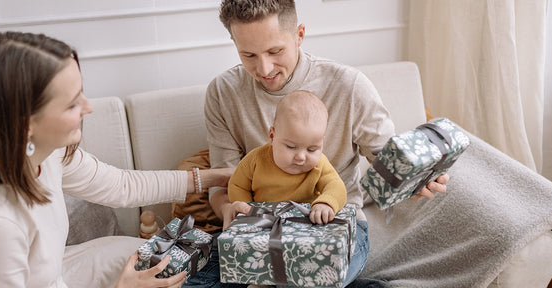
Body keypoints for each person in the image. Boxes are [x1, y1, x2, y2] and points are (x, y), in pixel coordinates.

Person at [184, 1, 449, 288]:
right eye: (248, 54)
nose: (264, 68)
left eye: (275, 51)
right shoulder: (223, 93)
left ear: (299, 34)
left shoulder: (349, 86)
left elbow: (388, 164)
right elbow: (224, 184)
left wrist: (415, 180)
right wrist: (231, 212)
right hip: (263, 229)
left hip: (336, 228)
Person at [0, 31, 234, 288]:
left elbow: (121, 186)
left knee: (161, 262)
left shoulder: (44, 150)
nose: (88, 107)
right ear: (25, 123)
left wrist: (215, 177)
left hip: (56, 272)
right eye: (72, 103)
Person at [228, 90, 346, 225]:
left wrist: (326, 203)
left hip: (306, 225)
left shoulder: (320, 164)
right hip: (264, 223)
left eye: (312, 149)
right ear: (272, 136)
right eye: (291, 147)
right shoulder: (255, 160)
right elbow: (237, 185)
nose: (301, 157)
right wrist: (246, 208)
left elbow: (336, 185)